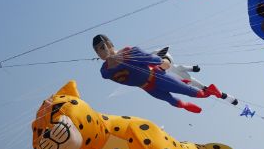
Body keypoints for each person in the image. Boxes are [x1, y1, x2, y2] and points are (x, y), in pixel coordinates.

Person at [92, 34, 227, 113]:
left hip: (157, 77)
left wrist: (163, 61)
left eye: (102, 47)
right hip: (148, 87)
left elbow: (153, 59)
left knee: (192, 93)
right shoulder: (105, 71)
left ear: (110, 45)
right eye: (98, 51)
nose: (101, 52)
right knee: (172, 101)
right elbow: (106, 74)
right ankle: (185, 105)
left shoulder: (129, 52)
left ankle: (210, 90)